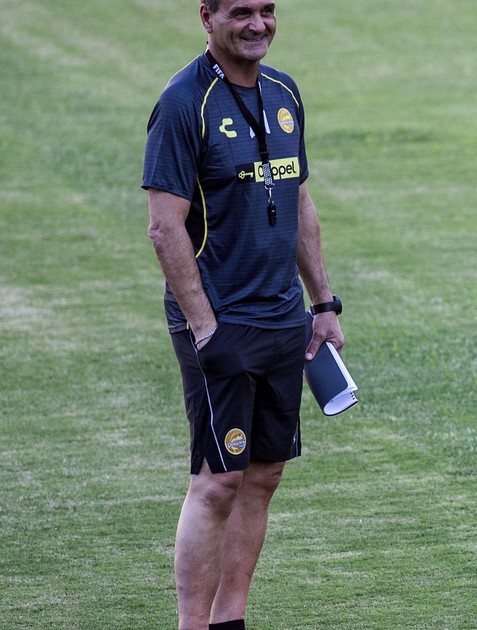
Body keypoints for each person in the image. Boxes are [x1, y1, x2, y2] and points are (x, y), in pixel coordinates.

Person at [142, 1, 345, 628]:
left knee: (263, 475)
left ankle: (231, 619)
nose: (257, 24)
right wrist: (206, 328)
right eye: (240, 13)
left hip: (284, 318)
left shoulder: (285, 92)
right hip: (222, 321)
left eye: (266, 10)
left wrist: (322, 304)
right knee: (217, 482)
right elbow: (164, 227)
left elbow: (298, 199)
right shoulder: (183, 103)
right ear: (207, 17)